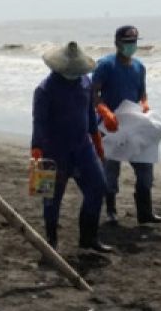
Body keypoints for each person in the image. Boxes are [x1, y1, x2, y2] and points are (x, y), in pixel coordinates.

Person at [31, 41, 112, 253]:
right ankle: (51, 240)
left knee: (98, 188)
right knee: (51, 198)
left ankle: (88, 237)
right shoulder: (44, 90)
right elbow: (38, 122)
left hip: (83, 148)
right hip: (53, 151)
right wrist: (36, 150)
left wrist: (98, 142)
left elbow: (90, 118)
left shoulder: (85, 82)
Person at [92, 25, 161, 226]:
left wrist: (144, 104)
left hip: (134, 124)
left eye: (134, 42)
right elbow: (93, 93)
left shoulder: (139, 67)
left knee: (145, 169)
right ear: (117, 43)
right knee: (110, 171)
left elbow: (142, 93)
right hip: (110, 126)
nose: (131, 46)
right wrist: (104, 112)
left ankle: (145, 212)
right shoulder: (105, 65)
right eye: (127, 43)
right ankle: (111, 211)